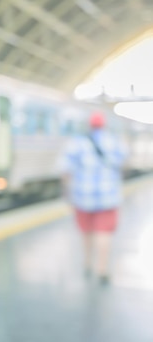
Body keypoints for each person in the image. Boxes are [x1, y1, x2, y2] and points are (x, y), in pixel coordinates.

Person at [63, 111, 127, 285]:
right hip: (108, 197)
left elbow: (66, 169)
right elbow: (122, 166)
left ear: (89, 125)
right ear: (104, 125)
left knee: (86, 232)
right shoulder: (114, 141)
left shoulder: (77, 142)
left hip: (82, 197)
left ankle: (87, 263)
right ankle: (102, 269)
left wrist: (68, 193)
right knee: (104, 233)